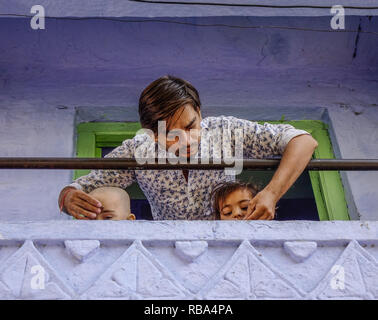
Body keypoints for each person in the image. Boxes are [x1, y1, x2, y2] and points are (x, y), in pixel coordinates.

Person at [58, 75, 318, 221]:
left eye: (191, 126)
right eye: (171, 136)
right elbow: (81, 187)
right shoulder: (139, 149)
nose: (186, 141)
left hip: (227, 245)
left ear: (200, 112)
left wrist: (272, 193)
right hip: (168, 253)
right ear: (152, 134)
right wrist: (69, 197)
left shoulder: (226, 131)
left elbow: (303, 141)